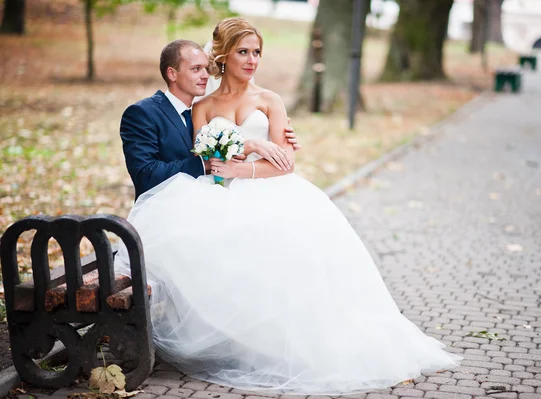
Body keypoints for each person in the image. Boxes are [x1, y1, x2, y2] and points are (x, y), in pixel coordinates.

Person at [114, 18, 461, 394]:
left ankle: (297, 346)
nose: (251, 60)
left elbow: (285, 162)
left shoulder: (270, 100)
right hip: (218, 195)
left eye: (257, 53)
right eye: (244, 52)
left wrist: (243, 166)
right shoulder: (203, 105)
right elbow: (205, 157)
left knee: (289, 257)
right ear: (225, 56)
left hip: (270, 190)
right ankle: (240, 340)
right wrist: (237, 154)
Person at [119, 39, 300, 200]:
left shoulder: (203, 113)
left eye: (206, 68)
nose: (206, 75)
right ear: (172, 74)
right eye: (196, 69)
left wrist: (272, 134)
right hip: (168, 206)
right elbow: (145, 175)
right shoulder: (143, 114)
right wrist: (207, 163)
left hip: (218, 199)